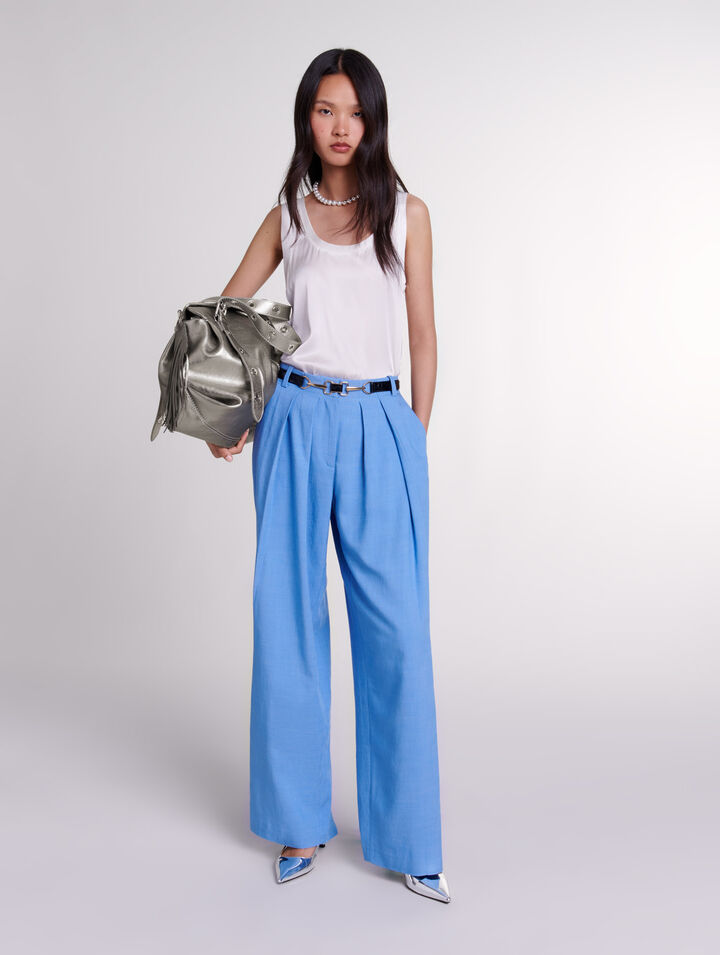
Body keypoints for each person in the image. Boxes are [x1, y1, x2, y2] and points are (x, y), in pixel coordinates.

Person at [206, 48, 451, 904]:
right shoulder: (287, 215)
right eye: (324, 109)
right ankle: (299, 821)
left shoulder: (408, 214)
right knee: (287, 616)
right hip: (295, 420)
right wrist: (229, 414)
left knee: (397, 628)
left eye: (353, 110)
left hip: (380, 422)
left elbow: (424, 335)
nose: (340, 126)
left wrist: (412, 436)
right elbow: (226, 316)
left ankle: (409, 836)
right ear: (306, 119)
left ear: (373, 119)